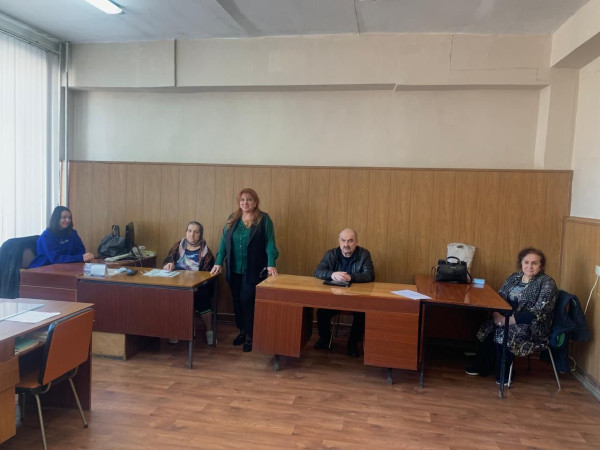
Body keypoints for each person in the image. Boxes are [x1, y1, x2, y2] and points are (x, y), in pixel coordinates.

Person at [466, 247, 558, 385]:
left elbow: (539, 312)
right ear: (521, 263)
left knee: (504, 333)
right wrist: (496, 315)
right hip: (505, 317)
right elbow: (499, 298)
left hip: (532, 325)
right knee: (487, 327)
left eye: (534, 263)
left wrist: (506, 321)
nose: (529, 266)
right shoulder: (514, 277)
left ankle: (503, 374)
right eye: (526, 262)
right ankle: (484, 367)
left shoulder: (547, 283)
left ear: (541, 265)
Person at [210, 188, 279, 353]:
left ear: (255, 202)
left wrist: (271, 263)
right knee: (236, 301)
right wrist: (219, 262)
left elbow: (270, 243)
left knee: (247, 301)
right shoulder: (232, 218)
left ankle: (250, 336)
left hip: (253, 269)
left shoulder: (263, 219)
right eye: (242, 200)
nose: (245, 203)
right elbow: (223, 242)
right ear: (238, 202)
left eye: (249, 199)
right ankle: (242, 331)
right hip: (233, 269)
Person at [313, 228, 375, 358]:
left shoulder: (364, 254)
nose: (346, 244)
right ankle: (325, 338)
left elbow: (369, 275)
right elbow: (318, 271)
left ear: (356, 242)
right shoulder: (331, 254)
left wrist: (351, 277)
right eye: (343, 240)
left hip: (356, 297)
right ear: (339, 241)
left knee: (362, 314)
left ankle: (352, 343)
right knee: (322, 312)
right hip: (334, 296)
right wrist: (332, 274)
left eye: (350, 241)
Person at [163, 221, 216, 345]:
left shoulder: (206, 252)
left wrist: (196, 285)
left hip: (198, 286)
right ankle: (175, 330)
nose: (192, 234)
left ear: (201, 235)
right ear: (186, 232)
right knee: (169, 296)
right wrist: (168, 264)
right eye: (189, 231)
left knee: (202, 296)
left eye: (196, 232)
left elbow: (208, 275)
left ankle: (209, 331)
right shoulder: (177, 246)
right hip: (178, 284)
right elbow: (167, 260)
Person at [29, 206, 94, 268]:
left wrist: (84, 257)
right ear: (57, 219)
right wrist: (80, 258)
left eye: (69, 218)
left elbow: (81, 251)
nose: (68, 220)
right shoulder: (46, 236)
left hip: (68, 266)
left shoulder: (73, 233)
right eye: (64, 217)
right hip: (44, 268)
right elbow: (55, 259)